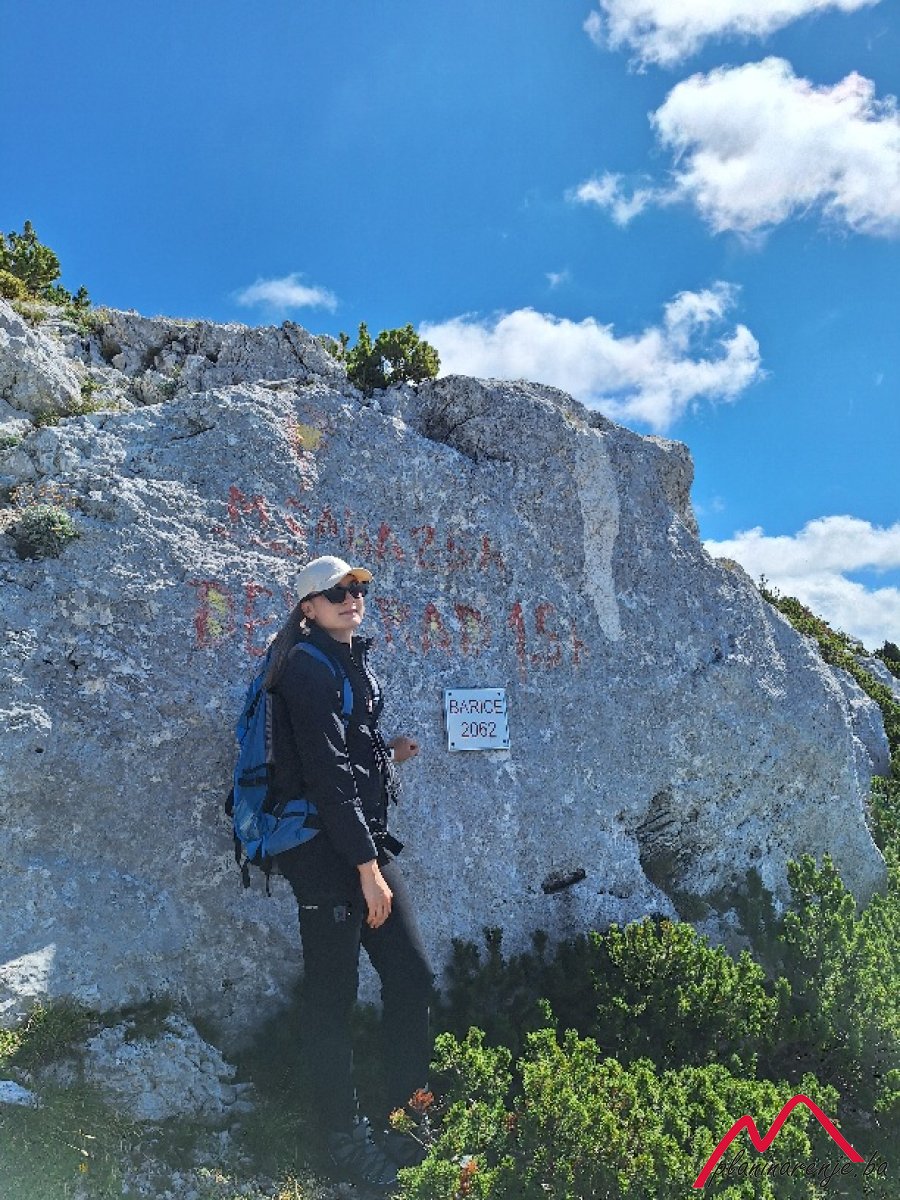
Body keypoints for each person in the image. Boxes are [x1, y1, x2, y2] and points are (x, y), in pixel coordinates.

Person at [264, 554, 434, 1194]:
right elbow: (327, 777)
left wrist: (388, 754)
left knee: (412, 977)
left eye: (359, 587)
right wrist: (368, 870)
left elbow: (343, 754)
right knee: (332, 1001)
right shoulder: (305, 668)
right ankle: (341, 1140)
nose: (352, 598)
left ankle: (408, 1120)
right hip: (324, 853)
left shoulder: (343, 661)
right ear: (308, 608)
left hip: (357, 844)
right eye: (336, 592)